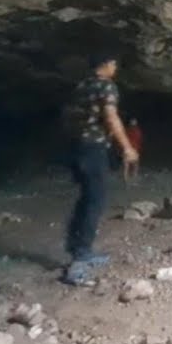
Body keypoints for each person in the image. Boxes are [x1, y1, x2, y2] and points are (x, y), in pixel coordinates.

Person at [60, 55, 139, 286]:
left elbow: (68, 117)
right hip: (92, 148)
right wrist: (127, 148)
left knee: (86, 197)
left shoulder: (81, 85)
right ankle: (81, 254)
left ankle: (75, 245)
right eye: (114, 63)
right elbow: (111, 117)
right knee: (96, 198)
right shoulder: (106, 85)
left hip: (75, 147)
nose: (115, 68)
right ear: (105, 64)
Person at [124, 118, 143, 184]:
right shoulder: (137, 130)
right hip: (134, 149)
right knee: (135, 165)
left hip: (127, 149)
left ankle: (126, 180)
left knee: (126, 165)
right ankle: (134, 178)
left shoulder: (126, 130)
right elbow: (139, 140)